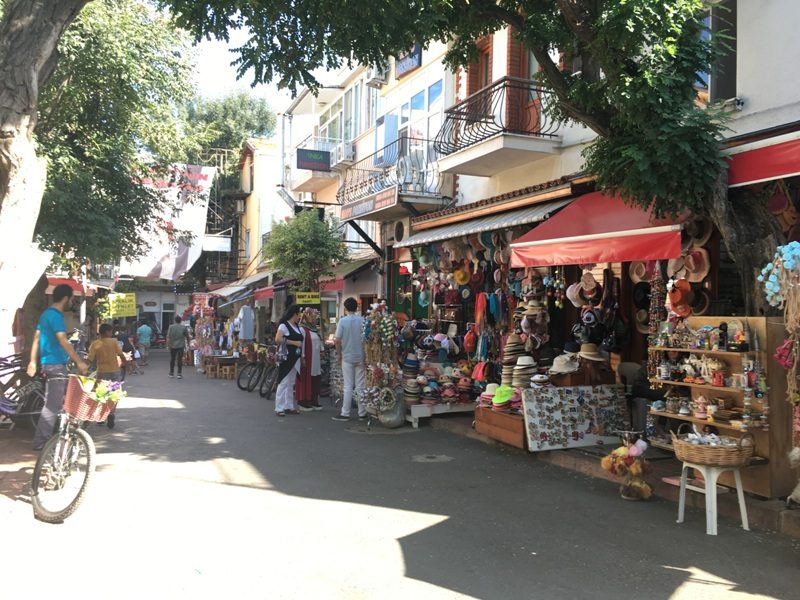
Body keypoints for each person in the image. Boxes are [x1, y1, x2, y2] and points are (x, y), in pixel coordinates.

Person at [27, 284, 89, 450]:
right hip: (55, 365)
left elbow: (36, 338)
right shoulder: (55, 316)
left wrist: (32, 361)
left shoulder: (46, 314)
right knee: (52, 406)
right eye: (72, 299)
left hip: (48, 364)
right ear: (66, 298)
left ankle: (59, 436)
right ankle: (42, 443)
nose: (72, 302)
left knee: (59, 402)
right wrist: (79, 362)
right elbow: (63, 341)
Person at [87, 323, 127, 428]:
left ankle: (101, 417)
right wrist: (126, 363)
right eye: (111, 331)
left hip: (101, 372)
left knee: (101, 394)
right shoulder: (113, 342)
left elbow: (90, 359)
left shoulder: (95, 344)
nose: (112, 333)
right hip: (115, 371)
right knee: (114, 393)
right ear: (107, 332)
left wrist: (83, 368)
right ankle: (111, 413)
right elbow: (121, 354)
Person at [332, 297, 366, 421]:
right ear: (357, 308)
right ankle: (362, 413)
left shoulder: (343, 321)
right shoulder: (362, 320)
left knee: (348, 385)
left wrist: (338, 354)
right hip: (361, 356)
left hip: (347, 356)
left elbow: (337, 340)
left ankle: (345, 413)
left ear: (345, 308)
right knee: (360, 386)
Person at [274, 304, 304, 417]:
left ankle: (289, 406)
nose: (300, 316)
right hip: (287, 357)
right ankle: (279, 407)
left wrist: (302, 356)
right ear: (294, 314)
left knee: (291, 383)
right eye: (299, 314)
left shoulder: (297, 326)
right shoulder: (284, 326)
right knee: (283, 381)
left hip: (295, 358)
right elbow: (278, 339)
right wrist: (294, 343)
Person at [296, 308, 323, 411]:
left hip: (315, 359)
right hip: (307, 358)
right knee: (305, 378)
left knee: (315, 377)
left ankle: (313, 400)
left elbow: (319, 342)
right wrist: (302, 356)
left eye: (315, 317)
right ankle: (303, 401)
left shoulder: (314, 329)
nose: (315, 319)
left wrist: (321, 350)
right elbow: (301, 344)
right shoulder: (302, 329)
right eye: (313, 317)